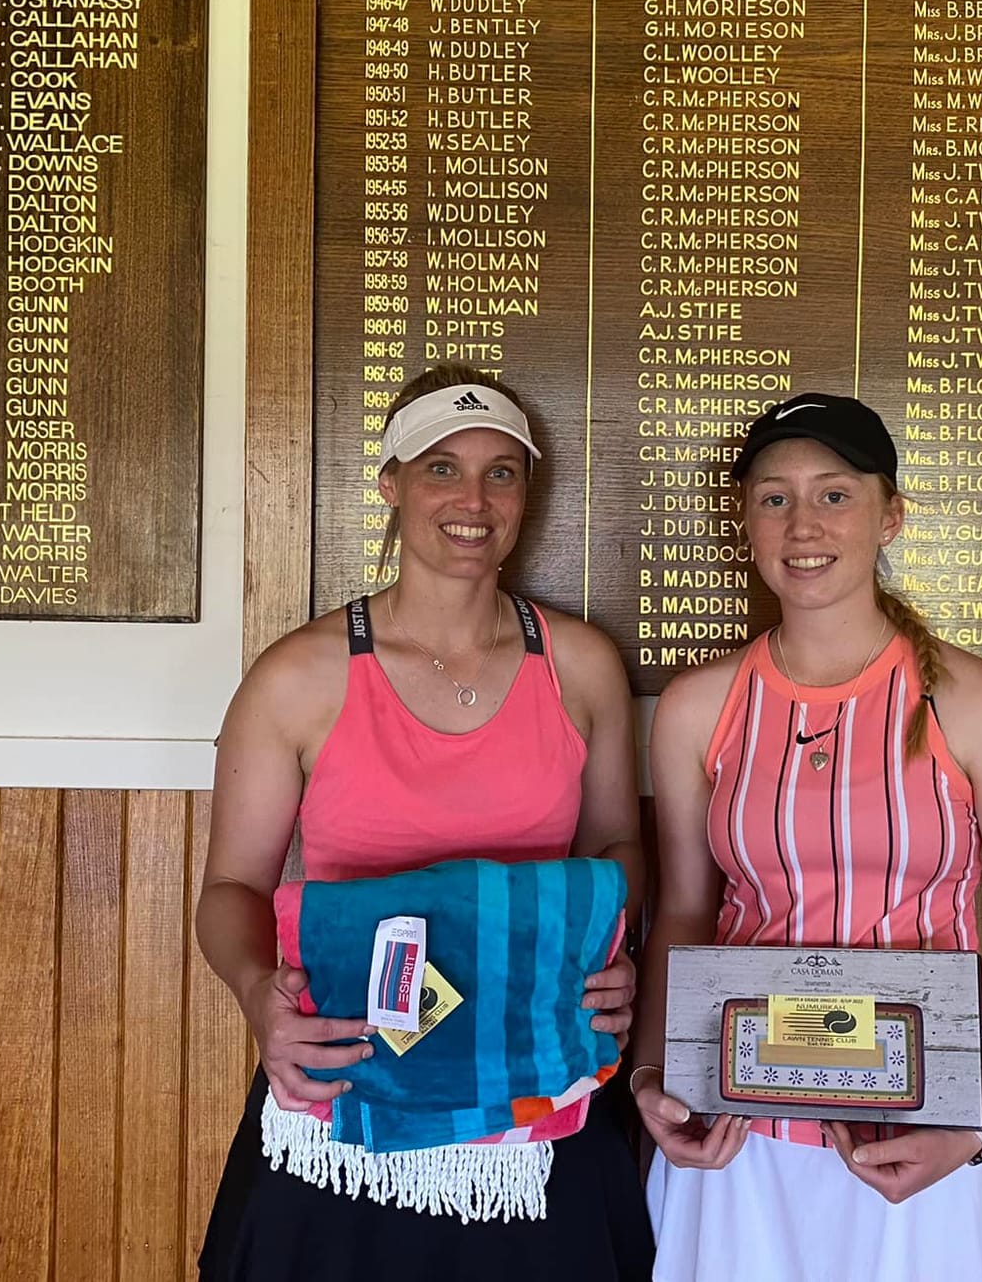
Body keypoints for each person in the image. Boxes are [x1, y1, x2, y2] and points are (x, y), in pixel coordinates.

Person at [196, 363, 654, 1280]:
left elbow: (616, 849)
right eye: (441, 468)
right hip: (348, 1077)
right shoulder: (298, 678)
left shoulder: (583, 665)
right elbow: (230, 890)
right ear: (392, 486)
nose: (472, 499)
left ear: (527, 493)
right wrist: (259, 998)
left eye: (501, 472)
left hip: (537, 1077)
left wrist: (619, 955)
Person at [630, 392, 982, 1281]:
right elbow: (684, 914)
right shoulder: (697, 708)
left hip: (922, 1137)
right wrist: (656, 1077)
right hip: (740, 1134)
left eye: (835, 494)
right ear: (747, 524)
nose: (804, 523)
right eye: (774, 497)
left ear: (890, 517)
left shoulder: (979, 707)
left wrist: (972, 1124)